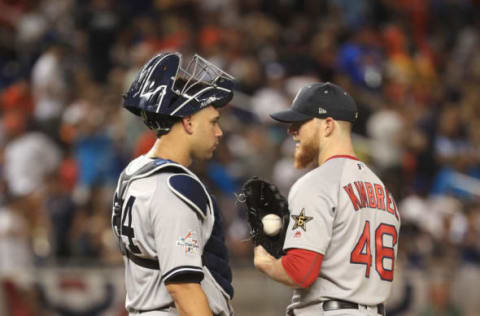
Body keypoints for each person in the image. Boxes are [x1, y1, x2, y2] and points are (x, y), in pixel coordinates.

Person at [253, 82, 401, 316]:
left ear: (328, 125)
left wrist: (264, 258)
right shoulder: (382, 190)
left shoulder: (317, 184)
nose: (292, 130)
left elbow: (300, 272)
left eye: (301, 122)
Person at [112, 52, 235, 316]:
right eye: (213, 121)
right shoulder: (174, 187)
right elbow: (183, 288)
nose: (219, 131)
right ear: (188, 121)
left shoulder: (133, 172)